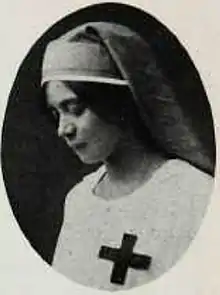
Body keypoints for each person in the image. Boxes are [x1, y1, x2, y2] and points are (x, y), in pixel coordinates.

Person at [41, 22, 214, 291]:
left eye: (75, 108)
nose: (63, 128)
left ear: (118, 104)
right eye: (56, 114)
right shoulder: (79, 200)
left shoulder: (195, 195)